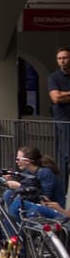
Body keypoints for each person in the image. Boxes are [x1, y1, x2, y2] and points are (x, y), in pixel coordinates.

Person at [4, 145, 68, 225]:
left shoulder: (45, 172)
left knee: (18, 204)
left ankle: (14, 232)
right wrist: (11, 182)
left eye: (18, 159)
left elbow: (44, 198)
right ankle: (16, 228)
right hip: (36, 203)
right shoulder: (27, 172)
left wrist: (20, 186)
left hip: (50, 206)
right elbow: (25, 189)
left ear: (27, 161)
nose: (16, 162)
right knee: (9, 194)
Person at [48, 48, 70, 180]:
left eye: (65, 58)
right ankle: (63, 191)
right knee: (64, 155)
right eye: (59, 58)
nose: (62, 61)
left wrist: (64, 94)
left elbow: (59, 96)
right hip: (62, 120)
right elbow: (55, 98)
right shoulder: (54, 77)